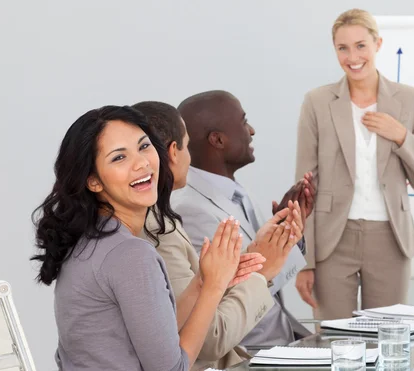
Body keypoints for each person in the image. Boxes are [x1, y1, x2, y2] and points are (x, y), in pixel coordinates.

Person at [30, 105, 254, 371]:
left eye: (144, 146)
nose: (142, 163)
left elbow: (158, 335)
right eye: (119, 158)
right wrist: (214, 287)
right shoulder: (130, 254)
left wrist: (202, 281)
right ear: (93, 181)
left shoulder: (89, 241)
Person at [132, 101, 302, 369]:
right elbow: (209, 336)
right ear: (174, 152)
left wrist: (259, 254)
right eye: (186, 146)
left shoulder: (164, 219)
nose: (252, 130)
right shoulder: (163, 226)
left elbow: (208, 290)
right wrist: (260, 271)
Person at [294, 8, 414, 320]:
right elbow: (305, 190)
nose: (352, 56)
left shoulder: (410, 100)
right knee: (333, 344)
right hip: (333, 240)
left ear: (378, 44)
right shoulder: (317, 102)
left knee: (388, 344)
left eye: (360, 45)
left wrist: (401, 136)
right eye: (342, 48)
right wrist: (306, 261)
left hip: (390, 238)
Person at [175, 90, 314, 346]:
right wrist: (277, 245)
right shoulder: (192, 211)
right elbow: (232, 294)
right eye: (243, 121)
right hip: (249, 351)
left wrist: (288, 233)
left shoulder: (233, 192)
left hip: (283, 339)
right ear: (217, 140)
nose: (250, 130)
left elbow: (263, 273)